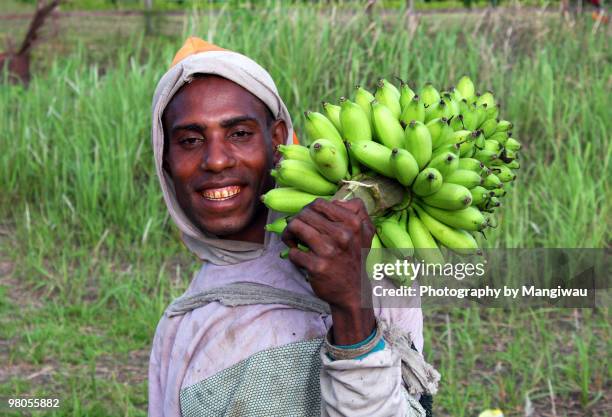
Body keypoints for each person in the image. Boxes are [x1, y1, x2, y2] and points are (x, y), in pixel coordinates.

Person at [147, 36, 439, 417]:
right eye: (189, 140)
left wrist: (353, 309)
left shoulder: (371, 261)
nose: (216, 160)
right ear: (165, 159)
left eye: (239, 134)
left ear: (278, 139)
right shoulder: (181, 329)